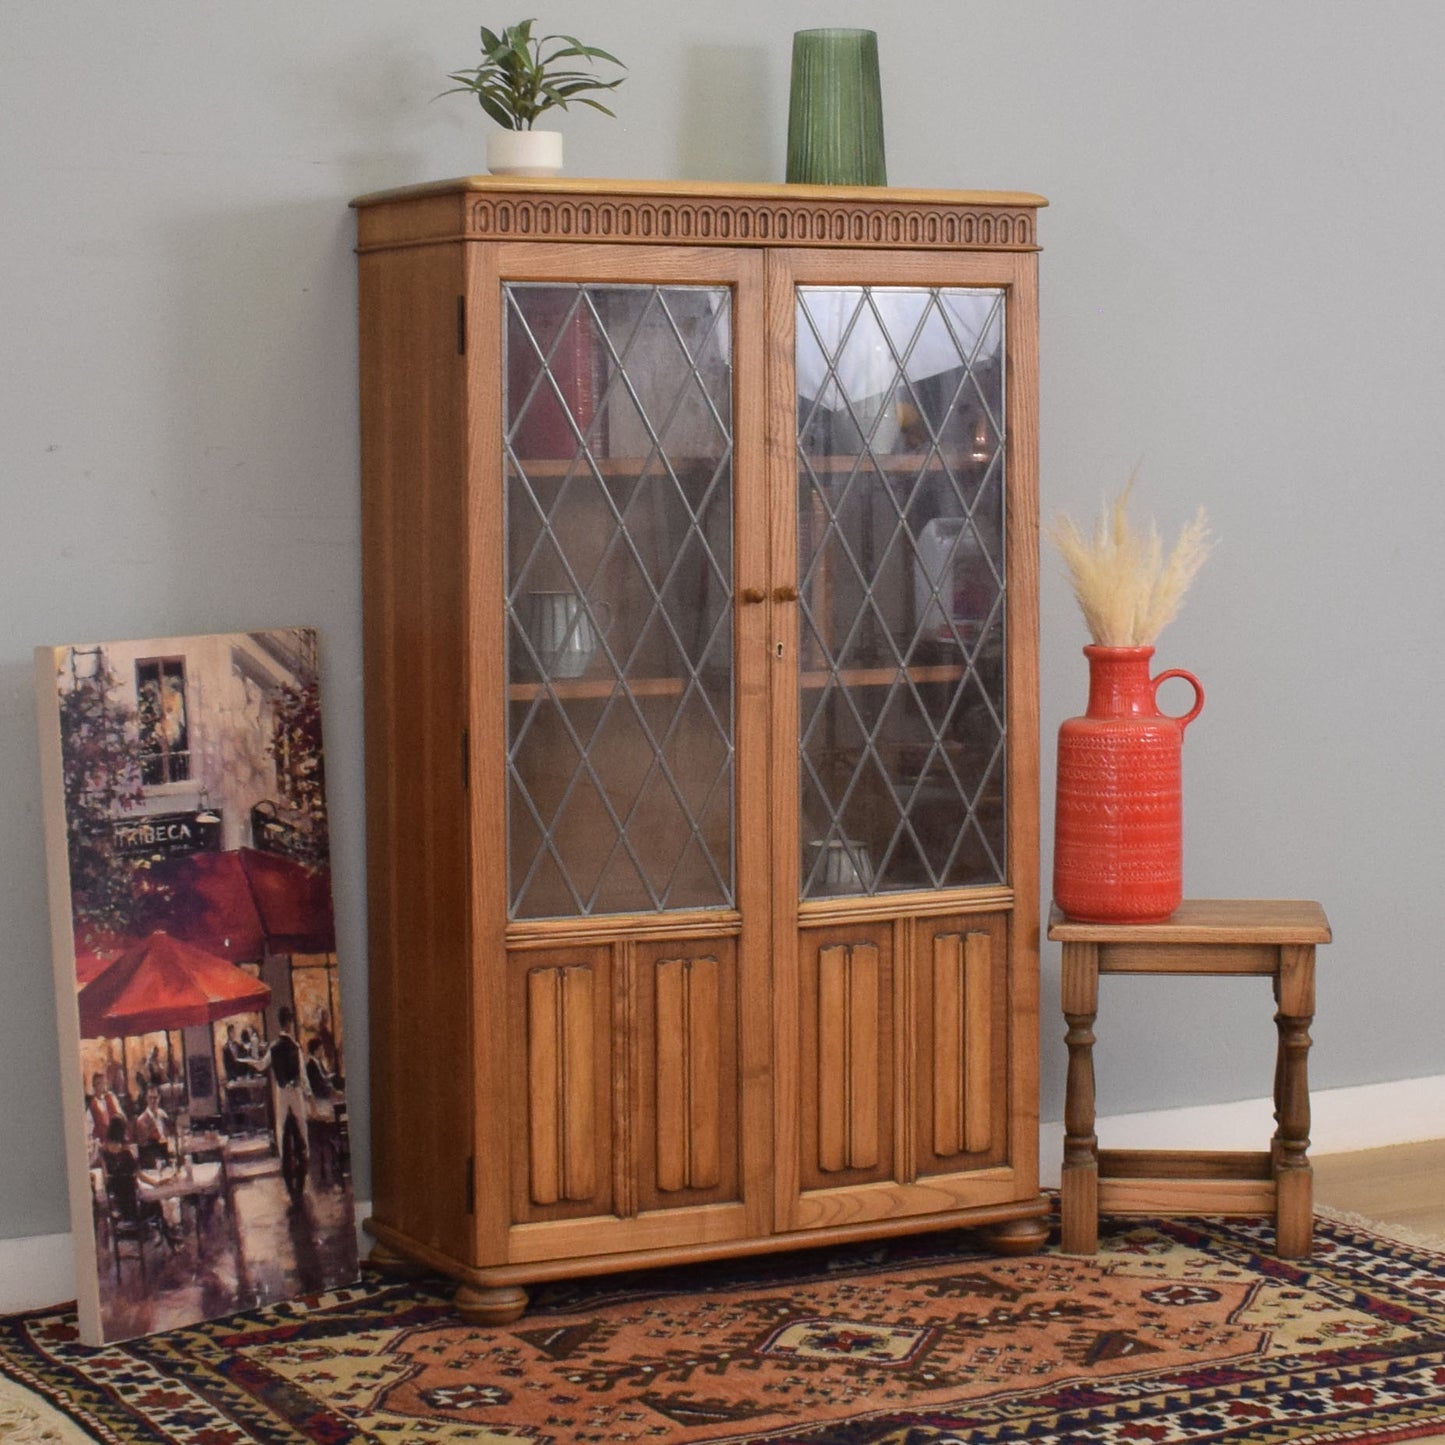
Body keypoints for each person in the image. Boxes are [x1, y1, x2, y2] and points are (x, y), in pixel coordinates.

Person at [258, 1007, 309, 1202]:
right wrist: (309, 1097)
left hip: (281, 1100)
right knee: (301, 1140)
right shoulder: (295, 1047)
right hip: (295, 1099)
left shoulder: (273, 1048)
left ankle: (290, 1189)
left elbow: (262, 1065)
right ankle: (300, 1189)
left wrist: (249, 1060)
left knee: (284, 1141)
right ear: (289, 1023)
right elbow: (303, 1079)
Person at [133, 1084, 172, 1170]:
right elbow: (145, 1145)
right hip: (150, 1163)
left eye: (155, 1097)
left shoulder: (163, 1115)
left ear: (159, 1098)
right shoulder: (142, 1120)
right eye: (150, 1098)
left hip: (165, 1159)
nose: (153, 1101)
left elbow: (168, 1135)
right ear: (146, 1099)